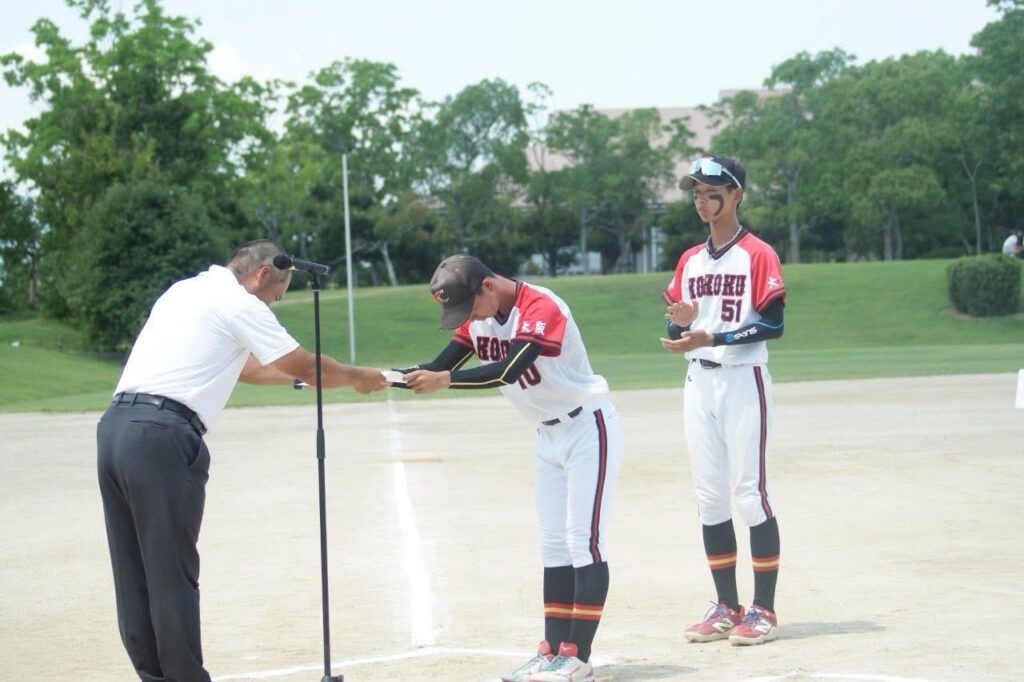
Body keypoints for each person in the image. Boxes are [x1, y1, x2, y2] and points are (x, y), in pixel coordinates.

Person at [96, 240, 388, 681]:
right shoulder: (239, 302)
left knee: (133, 574)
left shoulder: (186, 290)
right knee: (171, 574)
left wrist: (300, 381)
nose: (273, 304)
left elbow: (250, 368)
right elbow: (306, 365)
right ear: (263, 274)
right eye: (277, 295)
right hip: (161, 436)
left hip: (116, 428)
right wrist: (357, 377)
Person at [397, 254, 622, 682]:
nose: (469, 319)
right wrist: (379, 377)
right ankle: (552, 651)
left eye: (469, 308)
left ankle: (578, 657)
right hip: (546, 435)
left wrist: (445, 381)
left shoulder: (540, 305)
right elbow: (438, 367)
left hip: (587, 427)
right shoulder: (480, 318)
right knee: (553, 545)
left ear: (487, 286)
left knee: (584, 542)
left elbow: (510, 370)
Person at [659, 156, 786, 646]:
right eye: (696, 192)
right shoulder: (690, 259)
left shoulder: (757, 253)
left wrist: (714, 337)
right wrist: (681, 324)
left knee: (750, 495)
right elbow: (678, 324)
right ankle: (726, 606)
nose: (701, 199)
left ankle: (764, 609)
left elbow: (773, 323)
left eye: (711, 191)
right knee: (710, 497)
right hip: (699, 381)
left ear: (736, 195)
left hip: (742, 379)